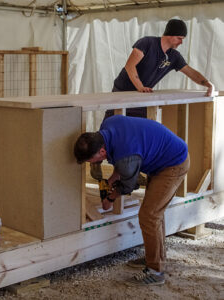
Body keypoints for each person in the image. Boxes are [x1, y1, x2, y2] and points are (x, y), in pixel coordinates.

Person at [74, 115, 190, 286]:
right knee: (154, 213)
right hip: (160, 157)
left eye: (92, 161)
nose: (92, 164)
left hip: (173, 164)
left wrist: (111, 198)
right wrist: (111, 181)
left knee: (149, 215)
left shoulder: (126, 158)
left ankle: (155, 272)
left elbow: (129, 185)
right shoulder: (108, 126)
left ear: (102, 152)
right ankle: (155, 256)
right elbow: (122, 162)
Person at [106, 19, 214, 119]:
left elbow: (191, 73)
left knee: (140, 128)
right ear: (170, 35)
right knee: (111, 123)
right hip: (121, 92)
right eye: (179, 38)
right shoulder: (147, 43)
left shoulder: (174, 56)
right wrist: (140, 87)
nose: (181, 42)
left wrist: (208, 84)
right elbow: (130, 66)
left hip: (142, 96)